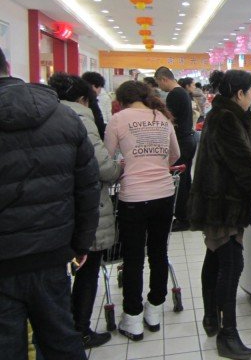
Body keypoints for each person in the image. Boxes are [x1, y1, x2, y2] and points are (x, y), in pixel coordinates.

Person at [0, 47, 100, 359]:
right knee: (60, 337)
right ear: (8, 65)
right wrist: (81, 243)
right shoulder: (64, 117)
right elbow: (88, 187)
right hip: (53, 250)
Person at [188, 70, 251, 359]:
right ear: (239, 94)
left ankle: (212, 318)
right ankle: (227, 334)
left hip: (218, 200)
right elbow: (243, 162)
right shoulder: (227, 118)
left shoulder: (224, 114)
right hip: (223, 202)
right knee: (232, 264)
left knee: (215, 258)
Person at [48, 73, 122, 349]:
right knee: (87, 268)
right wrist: (118, 169)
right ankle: (80, 330)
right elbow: (101, 165)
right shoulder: (80, 117)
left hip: (50, 212)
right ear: (83, 98)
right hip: (84, 206)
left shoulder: (43, 115)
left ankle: (58, 331)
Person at [104, 81, 180, 341]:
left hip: (133, 197)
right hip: (164, 194)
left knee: (133, 258)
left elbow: (107, 158)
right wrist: (156, 163)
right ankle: (154, 310)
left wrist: (127, 165)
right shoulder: (162, 118)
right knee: (159, 253)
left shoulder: (118, 119)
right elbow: (175, 155)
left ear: (121, 100)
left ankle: (133, 318)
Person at [155, 66, 196, 232]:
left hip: (181, 142)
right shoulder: (183, 93)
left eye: (159, 83)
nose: (160, 87)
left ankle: (183, 218)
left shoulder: (174, 95)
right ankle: (187, 215)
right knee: (185, 180)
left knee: (179, 180)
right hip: (188, 140)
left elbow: (170, 121)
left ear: (163, 79)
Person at [81, 71, 108, 139]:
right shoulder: (91, 101)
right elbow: (98, 122)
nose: (100, 90)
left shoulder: (79, 99)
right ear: (93, 86)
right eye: (100, 87)